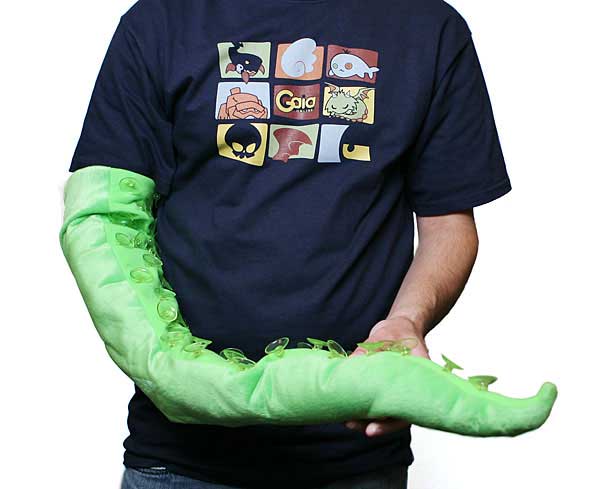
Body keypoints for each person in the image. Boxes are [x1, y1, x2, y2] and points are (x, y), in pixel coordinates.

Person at [67, 0, 511, 487]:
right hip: (179, 456)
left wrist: (407, 321)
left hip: (354, 452)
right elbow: (105, 218)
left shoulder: (429, 27)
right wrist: (170, 371)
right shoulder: (162, 19)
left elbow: (448, 226)